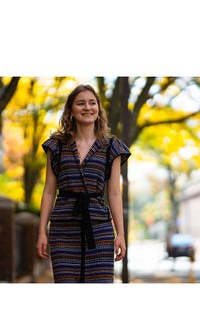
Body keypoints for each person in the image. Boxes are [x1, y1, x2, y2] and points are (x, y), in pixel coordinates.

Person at [36, 84, 131, 283]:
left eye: (92, 103)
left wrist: (120, 234)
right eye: (80, 103)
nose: (87, 107)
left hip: (99, 228)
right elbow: (48, 192)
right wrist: (42, 231)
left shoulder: (112, 146)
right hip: (63, 229)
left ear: (98, 109)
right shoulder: (56, 146)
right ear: (71, 110)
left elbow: (114, 193)